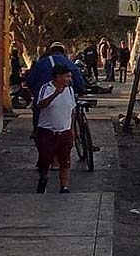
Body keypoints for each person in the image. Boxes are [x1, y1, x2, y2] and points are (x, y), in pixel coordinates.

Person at [34, 63, 77, 194]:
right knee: (45, 159)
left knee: (65, 160)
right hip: (47, 131)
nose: (69, 79)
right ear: (58, 77)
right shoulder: (46, 88)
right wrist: (55, 94)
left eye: (70, 76)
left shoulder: (69, 90)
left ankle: (64, 187)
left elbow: (72, 110)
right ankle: (43, 178)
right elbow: (40, 105)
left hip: (64, 131)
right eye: (67, 76)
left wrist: (73, 129)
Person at [26, 42, 87, 129]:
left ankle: (36, 131)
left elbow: (30, 81)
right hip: (65, 94)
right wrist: (80, 90)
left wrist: (36, 92)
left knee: (38, 111)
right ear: (63, 52)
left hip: (44, 97)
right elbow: (79, 81)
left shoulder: (42, 62)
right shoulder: (69, 63)